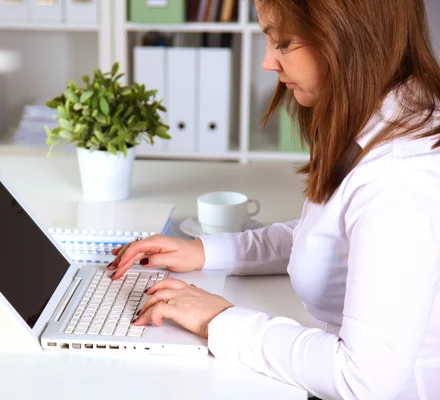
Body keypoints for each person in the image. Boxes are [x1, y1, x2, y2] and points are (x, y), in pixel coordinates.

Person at [107, 0, 440, 399]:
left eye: (283, 42)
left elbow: (364, 381)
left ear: (349, 38)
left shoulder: (398, 179)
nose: (268, 62)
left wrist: (219, 319)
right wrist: (206, 251)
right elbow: (330, 239)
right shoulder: (386, 115)